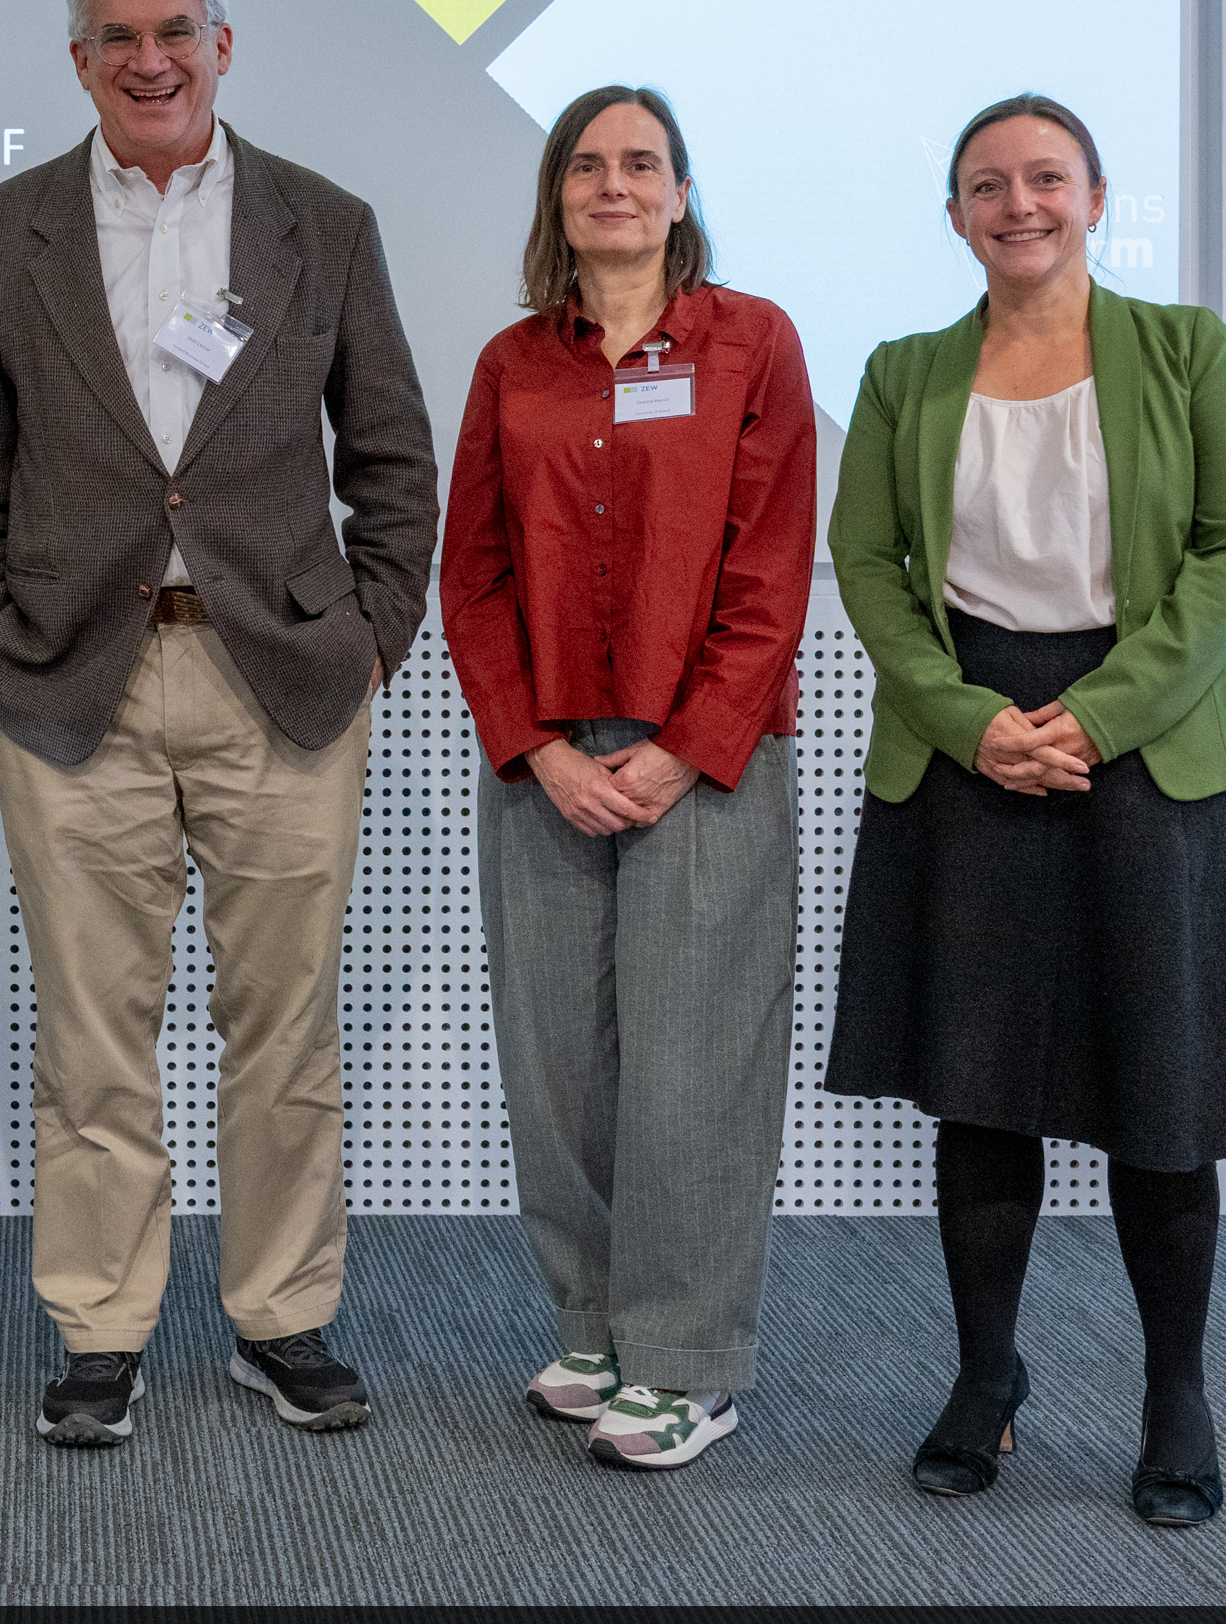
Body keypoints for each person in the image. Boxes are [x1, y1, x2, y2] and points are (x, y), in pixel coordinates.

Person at [0, 0, 441, 1448]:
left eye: (175, 31)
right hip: (73, 680)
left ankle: (281, 1318)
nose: (149, 59)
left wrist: (372, 635)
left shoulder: (321, 224)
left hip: (280, 676)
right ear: (78, 61)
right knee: (94, 1031)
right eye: (117, 38)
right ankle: (103, 1324)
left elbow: (394, 455)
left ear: (224, 42)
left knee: (284, 1021)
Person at [825, 93, 1226, 1529]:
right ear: (957, 213)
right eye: (988, 182)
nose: (1018, 201)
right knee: (981, 1092)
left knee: (1164, 1093)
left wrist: (1092, 718)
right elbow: (867, 566)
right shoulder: (906, 371)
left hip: (1145, 748)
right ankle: (987, 1378)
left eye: (1045, 177)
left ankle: (1177, 1396)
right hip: (970, 739)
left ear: (1095, 195)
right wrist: (973, 720)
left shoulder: (1185, 350)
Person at [440, 85, 816, 1472]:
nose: (614, 183)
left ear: (680, 189)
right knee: (560, 1064)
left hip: (703, 761)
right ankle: (595, 1328)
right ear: (555, 194)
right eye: (588, 164)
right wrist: (538, 746)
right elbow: (469, 570)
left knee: (693, 1067)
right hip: (546, 759)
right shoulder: (510, 364)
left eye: (639, 162)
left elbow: (772, 573)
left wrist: (673, 750)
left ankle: (689, 1359)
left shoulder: (751, 343)